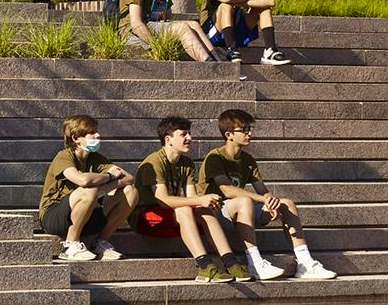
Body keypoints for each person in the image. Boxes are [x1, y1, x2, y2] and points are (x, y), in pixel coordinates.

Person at [202, 109, 337, 280]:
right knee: (244, 201)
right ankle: (255, 263)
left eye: (250, 129)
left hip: (242, 210)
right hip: (215, 214)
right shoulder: (215, 157)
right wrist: (263, 199)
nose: (249, 133)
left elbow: (262, 191)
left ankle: (305, 263)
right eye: (243, 130)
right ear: (228, 134)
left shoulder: (248, 160)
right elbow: (227, 190)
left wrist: (271, 203)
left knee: (286, 203)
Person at [131, 116, 244, 283]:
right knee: (186, 209)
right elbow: (163, 200)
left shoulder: (187, 163)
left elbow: (191, 198)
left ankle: (230, 262)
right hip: (146, 218)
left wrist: (204, 201)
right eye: (183, 134)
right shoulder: (154, 162)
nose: (189, 138)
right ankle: (204, 265)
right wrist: (200, 199)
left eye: (189, 133)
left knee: (202, 209)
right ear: (168, 139)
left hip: (171, 217)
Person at [38, 115, 136, 262]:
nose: (98, 135)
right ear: (76, 138)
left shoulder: (95, 157)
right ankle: (70, 246)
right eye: (92, 133)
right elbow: (83, 180)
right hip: (54, 216)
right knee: (89, 190)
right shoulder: (63, 156)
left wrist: (102, 187)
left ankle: (100, 243)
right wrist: (108, 177)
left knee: (131, 191)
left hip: (86, 214)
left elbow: (128, 177)